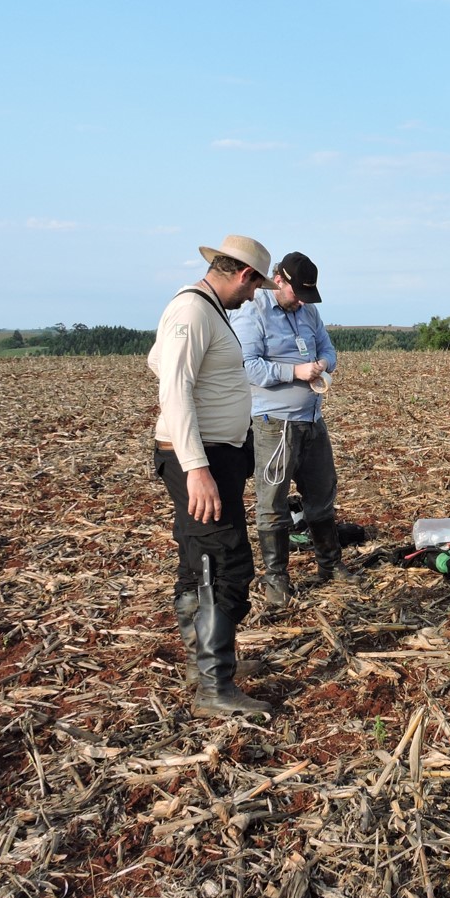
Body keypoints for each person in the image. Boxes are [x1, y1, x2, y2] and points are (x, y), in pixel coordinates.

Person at [149, 235, 277, 716]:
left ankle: (204, 662)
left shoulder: (204, 310)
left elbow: (158, 361)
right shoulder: (192, 311)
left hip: (212, 455)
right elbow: (174, 390)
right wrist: (197, 468)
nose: (253, 296)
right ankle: (214, 685)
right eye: (254, 287)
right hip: (198, 459)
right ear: (244, 275)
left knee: (197, 560)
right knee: (224, 564)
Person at [230, 251, 357, 611]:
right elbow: (247, 367)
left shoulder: (309, 311)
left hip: (312, 420)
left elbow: (328, 347)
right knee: (272, 504)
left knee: (322, 493)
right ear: (279, 280)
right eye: (297, 292)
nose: (301, 300)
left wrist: (323, 364)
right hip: (274, 424)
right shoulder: (252, 313)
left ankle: (330, 565)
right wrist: (295, 373)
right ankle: (276, 579)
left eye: (307, 295)